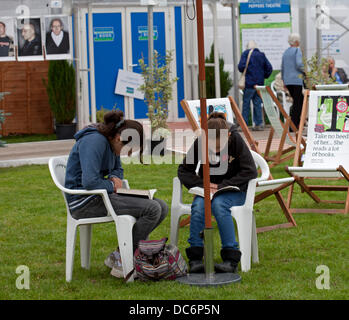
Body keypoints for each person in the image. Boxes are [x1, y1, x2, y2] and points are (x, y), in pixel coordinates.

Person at [64, 110, 168, 278]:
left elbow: (117, 169)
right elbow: (89, 182)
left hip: (100, 196)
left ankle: (119, 256)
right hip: (84, 202)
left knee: (161, 206)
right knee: (152, 209)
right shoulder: (94, 141)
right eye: (128, 149)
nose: (126, 154)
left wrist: (114, 177)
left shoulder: (111, 141)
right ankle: (125, 261)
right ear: (119, 137)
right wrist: (112, 184)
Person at [177, 112, 258, 274]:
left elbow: (250, 171)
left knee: (220, 205)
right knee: (199, 207)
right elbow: (184, 171)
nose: (215, 148)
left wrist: (223, 185)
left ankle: (230, 258)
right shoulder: (200, 142)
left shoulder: (236, 141)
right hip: (207, 190)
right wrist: (204, 185)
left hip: (234, 191)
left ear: (228, 135)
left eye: (220, 145)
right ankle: (196, 258)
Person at [238, 40, 273, 131]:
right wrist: (263, 76)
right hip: (259, 85)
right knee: (257, 103)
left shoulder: (246, 54)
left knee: (246, 104)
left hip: (249, 84)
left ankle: (244, 125)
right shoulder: (261, 55)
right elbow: (269, 68)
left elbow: (241, 67)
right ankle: (259, 124)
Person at [281, 33, 305, 129]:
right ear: (296, 41)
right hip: (296, 80)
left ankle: (294, 123)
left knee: (298, 100)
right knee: (298, 102)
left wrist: (284, 81)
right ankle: (294, 125)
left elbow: (282, 67)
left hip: (288, 81)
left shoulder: (286, 52)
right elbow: (299, 64)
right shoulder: (297, 50)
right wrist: (306, 71)